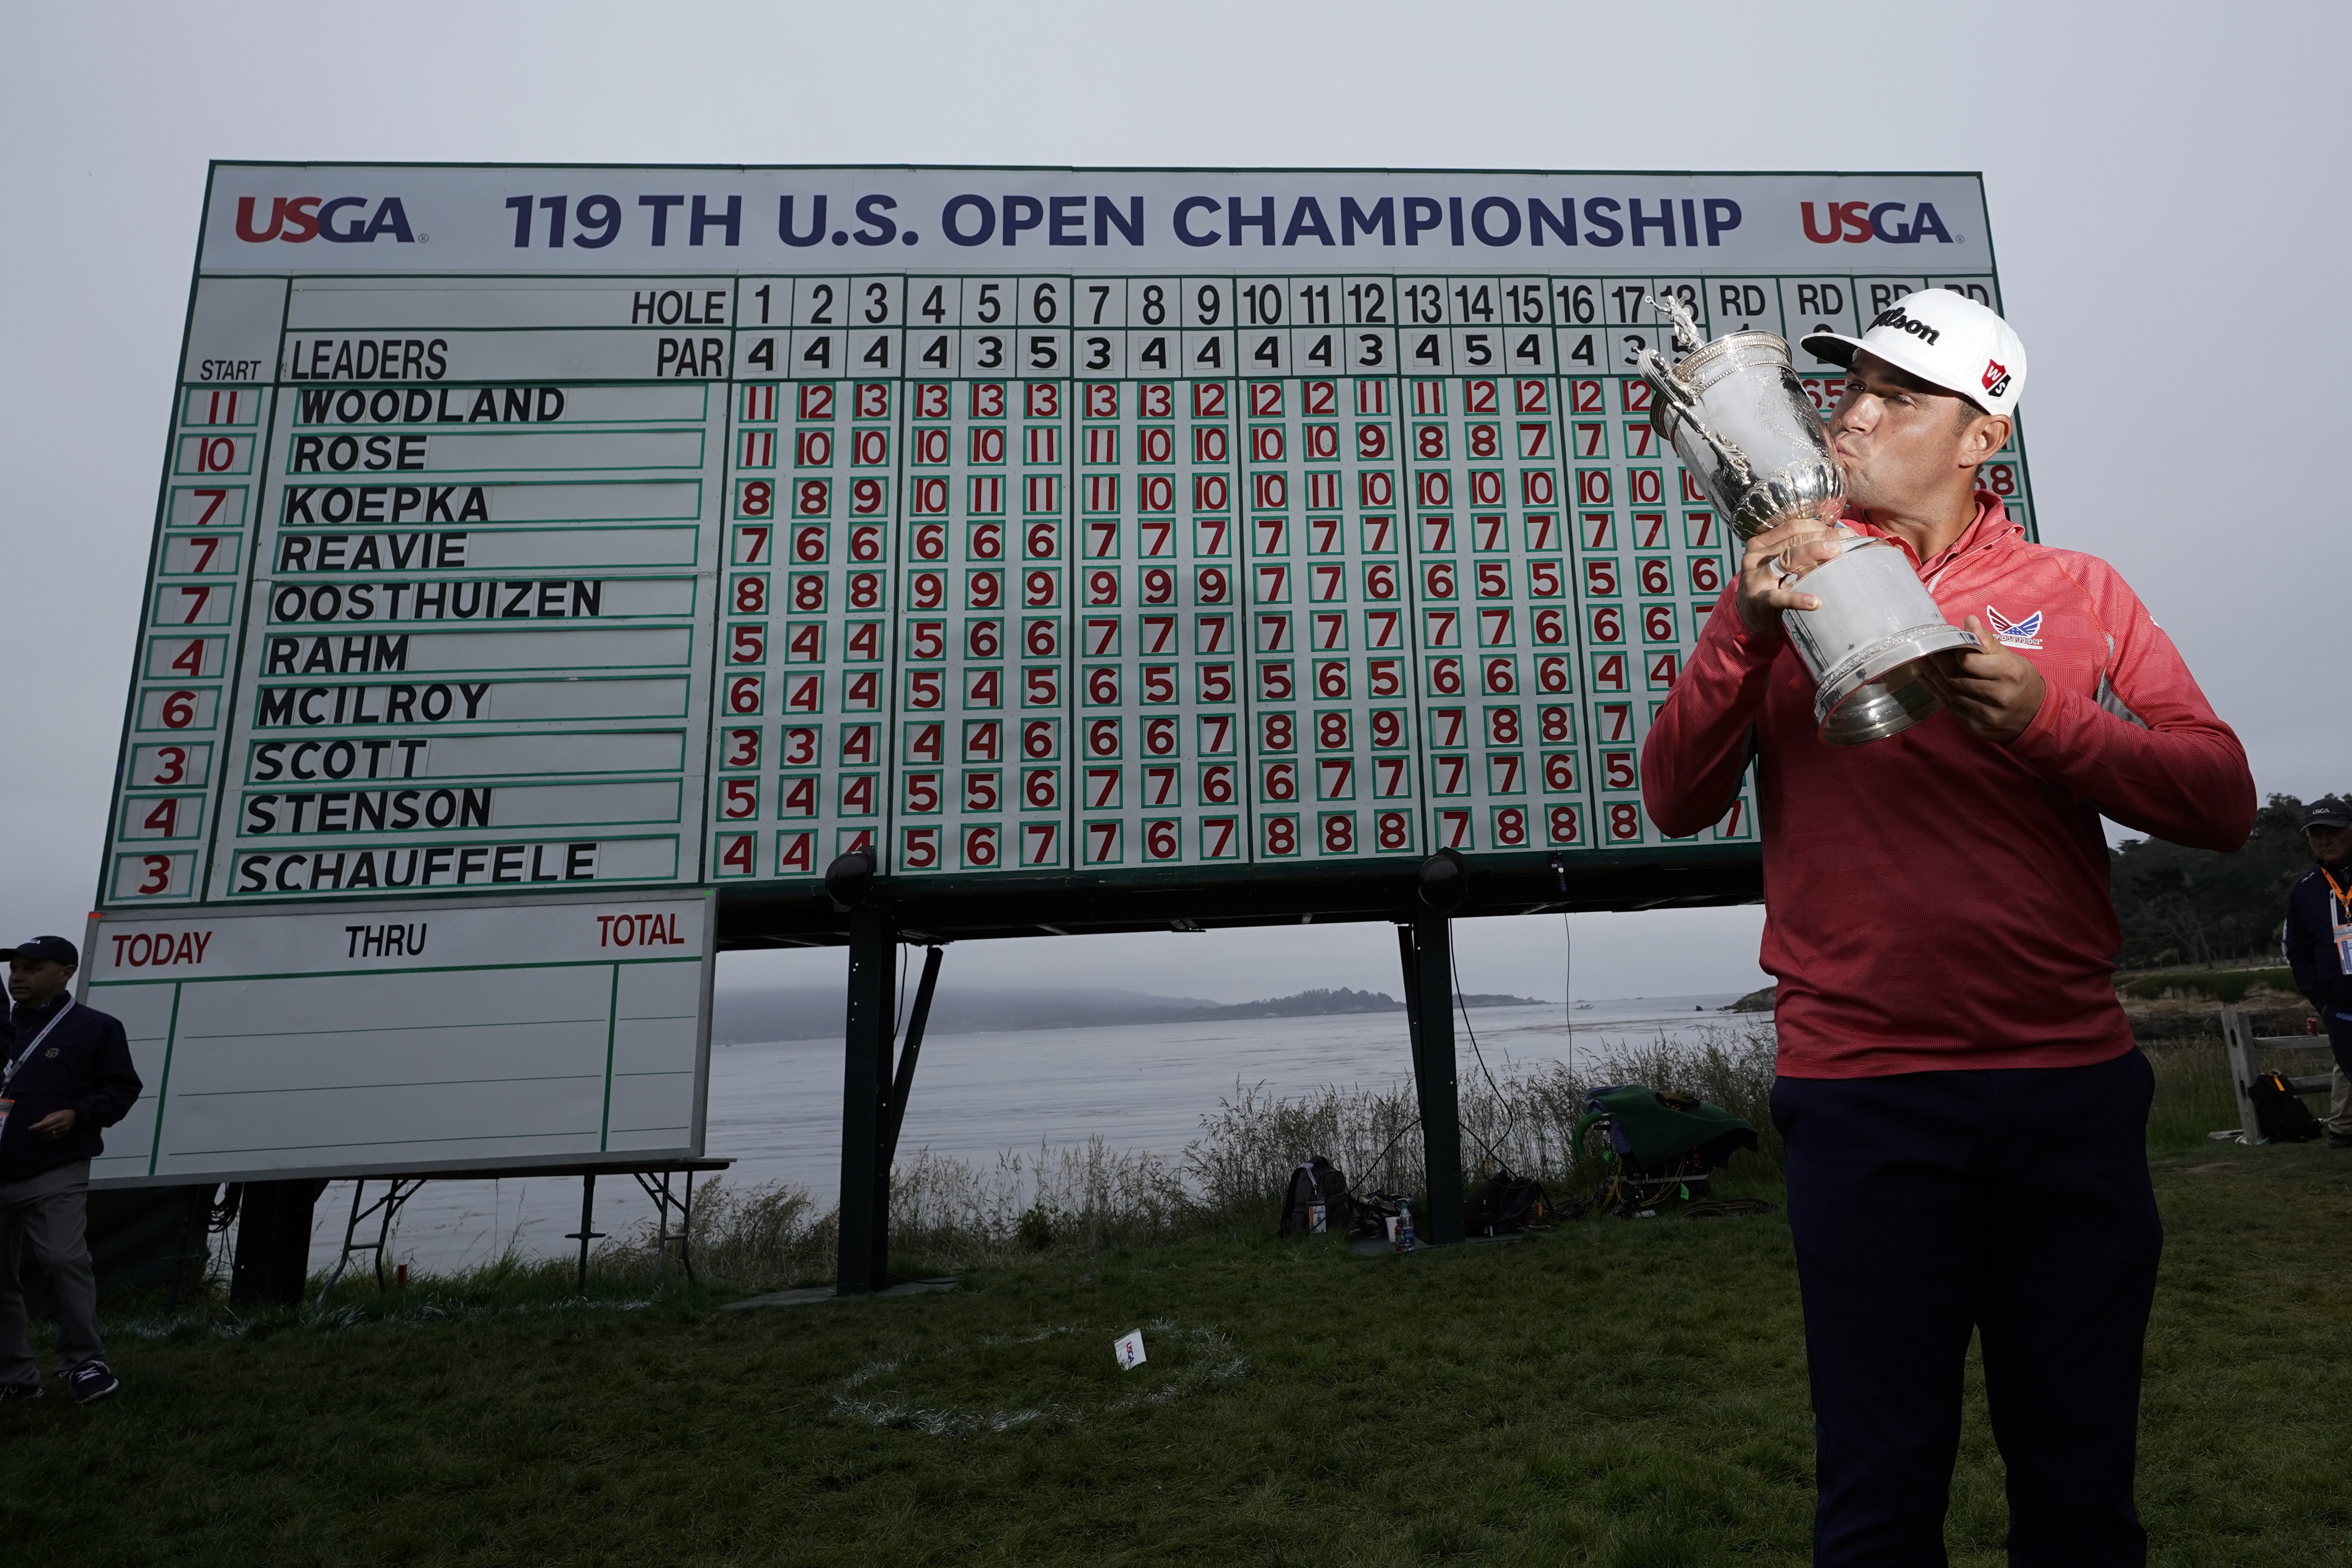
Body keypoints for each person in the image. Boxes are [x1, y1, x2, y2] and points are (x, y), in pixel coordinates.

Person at [1642, 288, 2254, 1564]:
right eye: (1845, 388)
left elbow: (2216, 794)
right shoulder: (1784, 570)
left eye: (1895, 395)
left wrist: (2049, 718)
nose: (1852, 414)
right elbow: (1672, 792)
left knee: (2079, 1486)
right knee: (1875, 1492)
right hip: (1863, 1092)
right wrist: (1740, 634)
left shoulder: (2074, 589)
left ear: (1983, 432)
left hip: (2066, 1087)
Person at [0, 935, 142, 1404]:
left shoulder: (95, 1028)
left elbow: (122, 1089)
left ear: (66, 972)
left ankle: (84, 1363)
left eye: (32, 968)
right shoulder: (2, 1026)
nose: (18, 976)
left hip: (54, 1167)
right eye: (14, 968)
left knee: (63, 1260)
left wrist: (77, 1115)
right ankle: (15, 1378)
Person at [2282, 795, 2352, 1149]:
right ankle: (2342, 1133)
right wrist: (2321, 1002)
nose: (2324, 841)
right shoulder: (2305, 889)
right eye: (2315, 834)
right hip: (2340, 1007)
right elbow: (2296, 949)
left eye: (2333, 832)